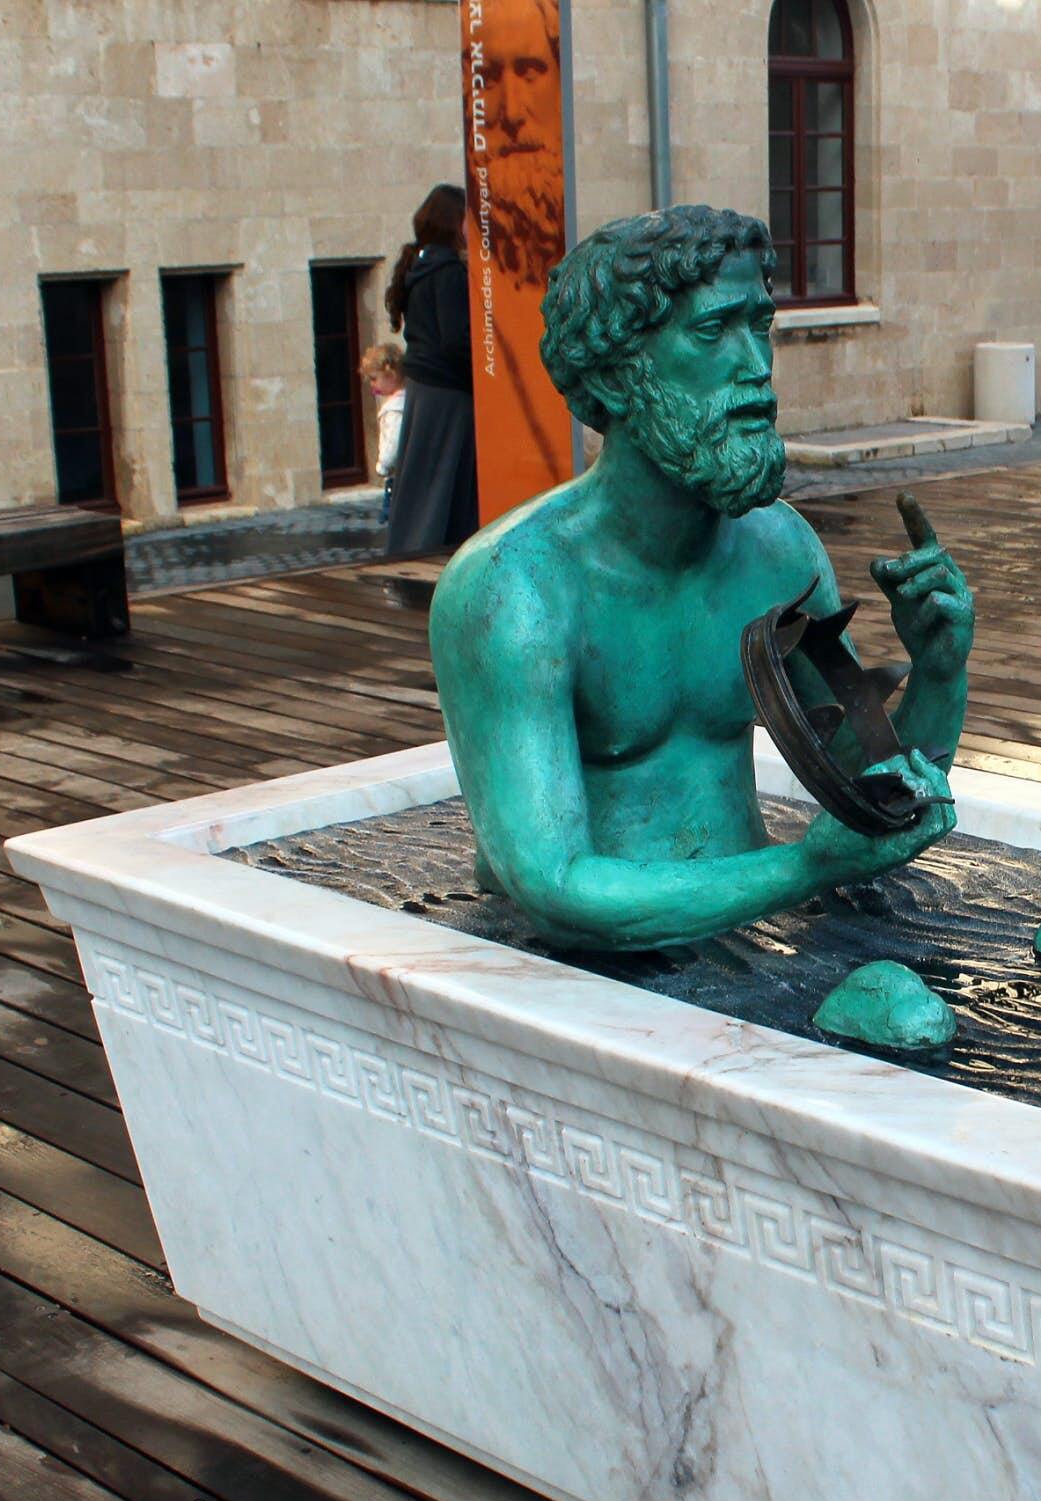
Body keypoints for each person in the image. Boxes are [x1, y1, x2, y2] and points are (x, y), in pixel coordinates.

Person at [429, 204, 969, 950]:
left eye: (760, 327)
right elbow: (551, 884)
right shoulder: (512, 590)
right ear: (617, 377)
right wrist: (804, 869)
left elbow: (865, 780)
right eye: (715, 331)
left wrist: (940, 674)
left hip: (745, 920)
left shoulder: (779, 549)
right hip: (569, 959)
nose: (755, 366)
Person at [384, 183, 477, 558]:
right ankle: (428, 554)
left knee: (423, 479)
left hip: (425, 387)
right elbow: (456, 340)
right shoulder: (450, 272)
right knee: (444, 480)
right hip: (447, 391)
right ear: (454, 222)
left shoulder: (421, 267)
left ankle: (413, 550)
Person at [362, 340, 406, 521]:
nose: (372, 384)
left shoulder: (394, 409)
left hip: (397, 477)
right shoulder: (409, 400)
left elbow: (392, 443)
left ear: (391, 375)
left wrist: (382, 465)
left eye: (374, 378)